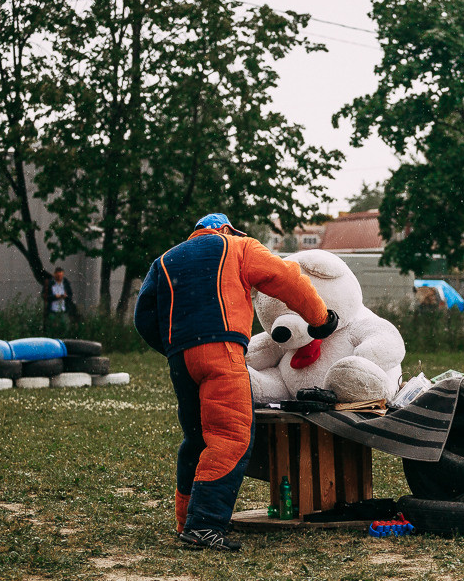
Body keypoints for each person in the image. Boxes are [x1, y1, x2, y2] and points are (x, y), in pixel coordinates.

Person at [134, 213, 338, 551]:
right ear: (226, 229)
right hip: (222, 351)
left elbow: (143, 317)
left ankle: (186, 520)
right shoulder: (239, 247)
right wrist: (320, 318)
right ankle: (204, 526)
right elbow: (286, 278)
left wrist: (174, 348)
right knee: (230, 436)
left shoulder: (165, 260)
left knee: (197, 439)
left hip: (180, 359)